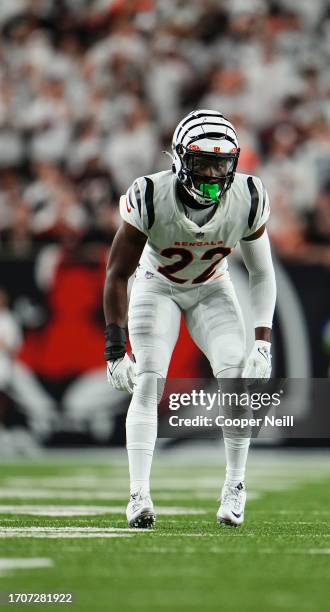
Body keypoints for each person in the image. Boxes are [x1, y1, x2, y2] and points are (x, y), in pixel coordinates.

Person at [103, 109, 276, 528]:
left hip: (212, 288)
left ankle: (235, 485)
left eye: (222, 163)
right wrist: (113, 349)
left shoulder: (248, 197)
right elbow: (117, 273)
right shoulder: (149, 195)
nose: (215, 174)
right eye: (204, 162)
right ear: (180, 160)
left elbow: (262, 271)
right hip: (157, 284)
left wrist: (263, 341)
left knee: (235, 380)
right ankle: (138, 494)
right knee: (150, 380)